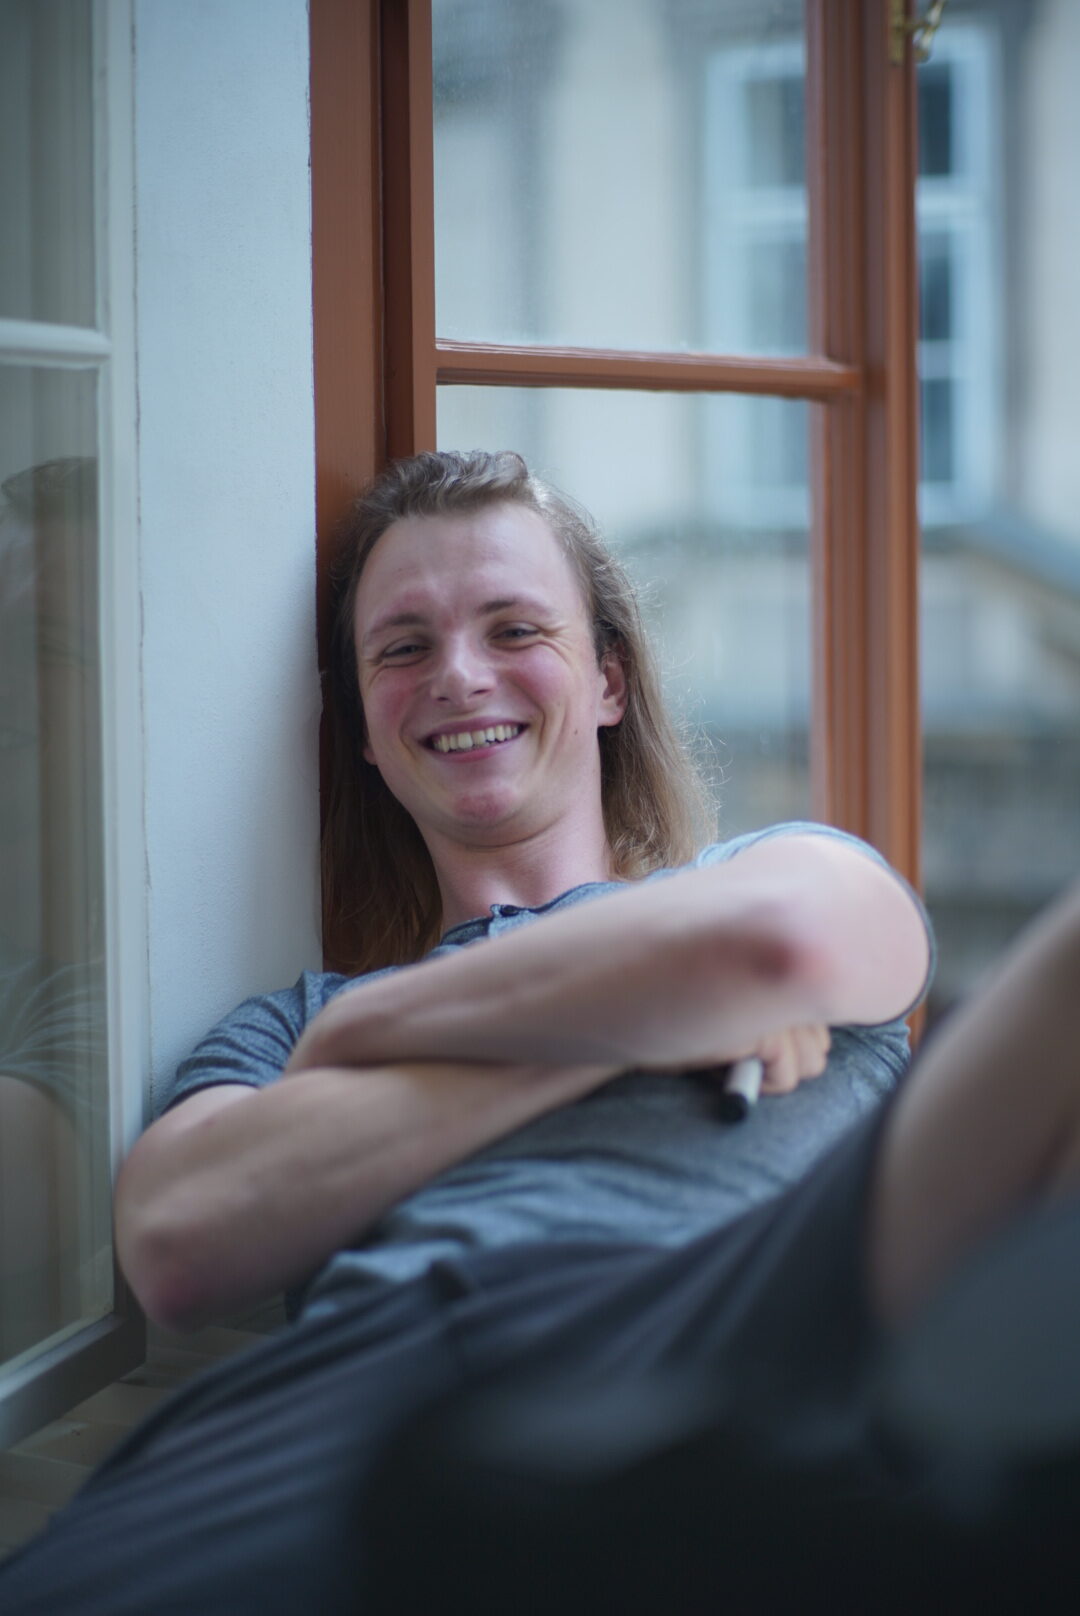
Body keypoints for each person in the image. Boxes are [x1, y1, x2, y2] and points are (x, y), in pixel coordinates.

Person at [2, 449, 1079, 1614]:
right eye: (402, 648)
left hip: (719, 1314)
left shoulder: (767, 867)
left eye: (514, 629)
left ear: (608, 679)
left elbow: (769, 949)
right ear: (363, 728)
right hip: (348, 1392)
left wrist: (369, 1044)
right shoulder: (286, 1021)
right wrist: (632, 1025)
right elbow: (177, 1240)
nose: (460, 676)